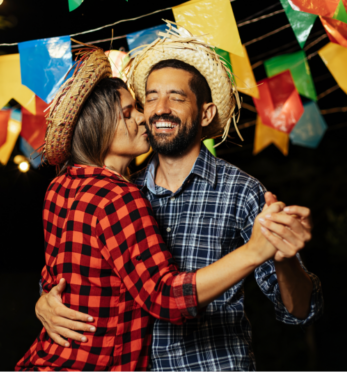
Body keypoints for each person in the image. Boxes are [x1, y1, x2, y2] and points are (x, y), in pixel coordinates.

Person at [35, 28, 324, 371]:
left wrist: (284, 256)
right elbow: (75, 274)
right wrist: (43, 303)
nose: (158, 110)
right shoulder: (122, 191)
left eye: (177, 97)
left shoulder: (241, 192)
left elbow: (300, 310)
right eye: (151, 97)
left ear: (205, 114)